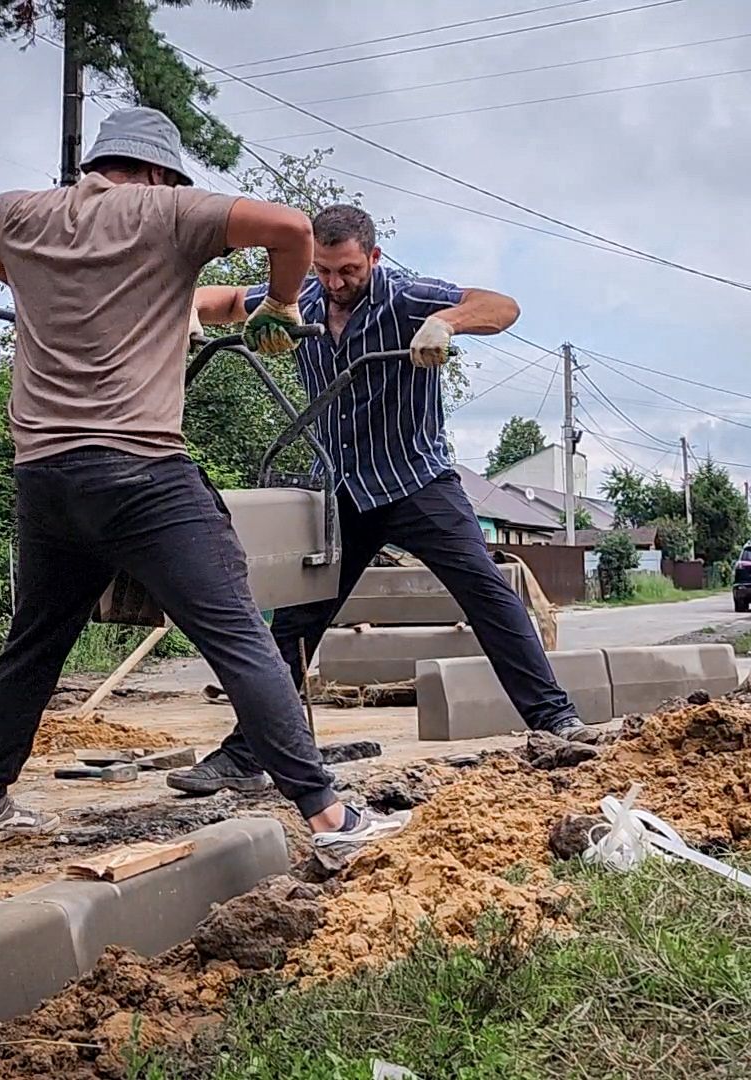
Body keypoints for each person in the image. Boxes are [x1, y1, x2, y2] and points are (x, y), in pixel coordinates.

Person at [0, 109, 409, 851]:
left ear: (99, 163)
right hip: (140, 471)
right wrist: (281, 305)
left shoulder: (26, 213)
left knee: (35, 641)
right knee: (241, 637)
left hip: (45, 477)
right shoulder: (168, 210)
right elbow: (289, 228)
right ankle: (329, 816)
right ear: (158, 173)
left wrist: (28, 274)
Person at [170, 204, 597, 798]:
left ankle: (556, 722)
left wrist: (446, 323)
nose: (334, 283)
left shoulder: (407, 297)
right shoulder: (300, 301)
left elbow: (503, 307)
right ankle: (249, 754)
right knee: (296, 621)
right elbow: (221, 300)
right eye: (322, 269)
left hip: (416, 481)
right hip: (340, 490)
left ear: (372, 257)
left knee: (485, 589)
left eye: (347, 270)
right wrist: (186, 309)